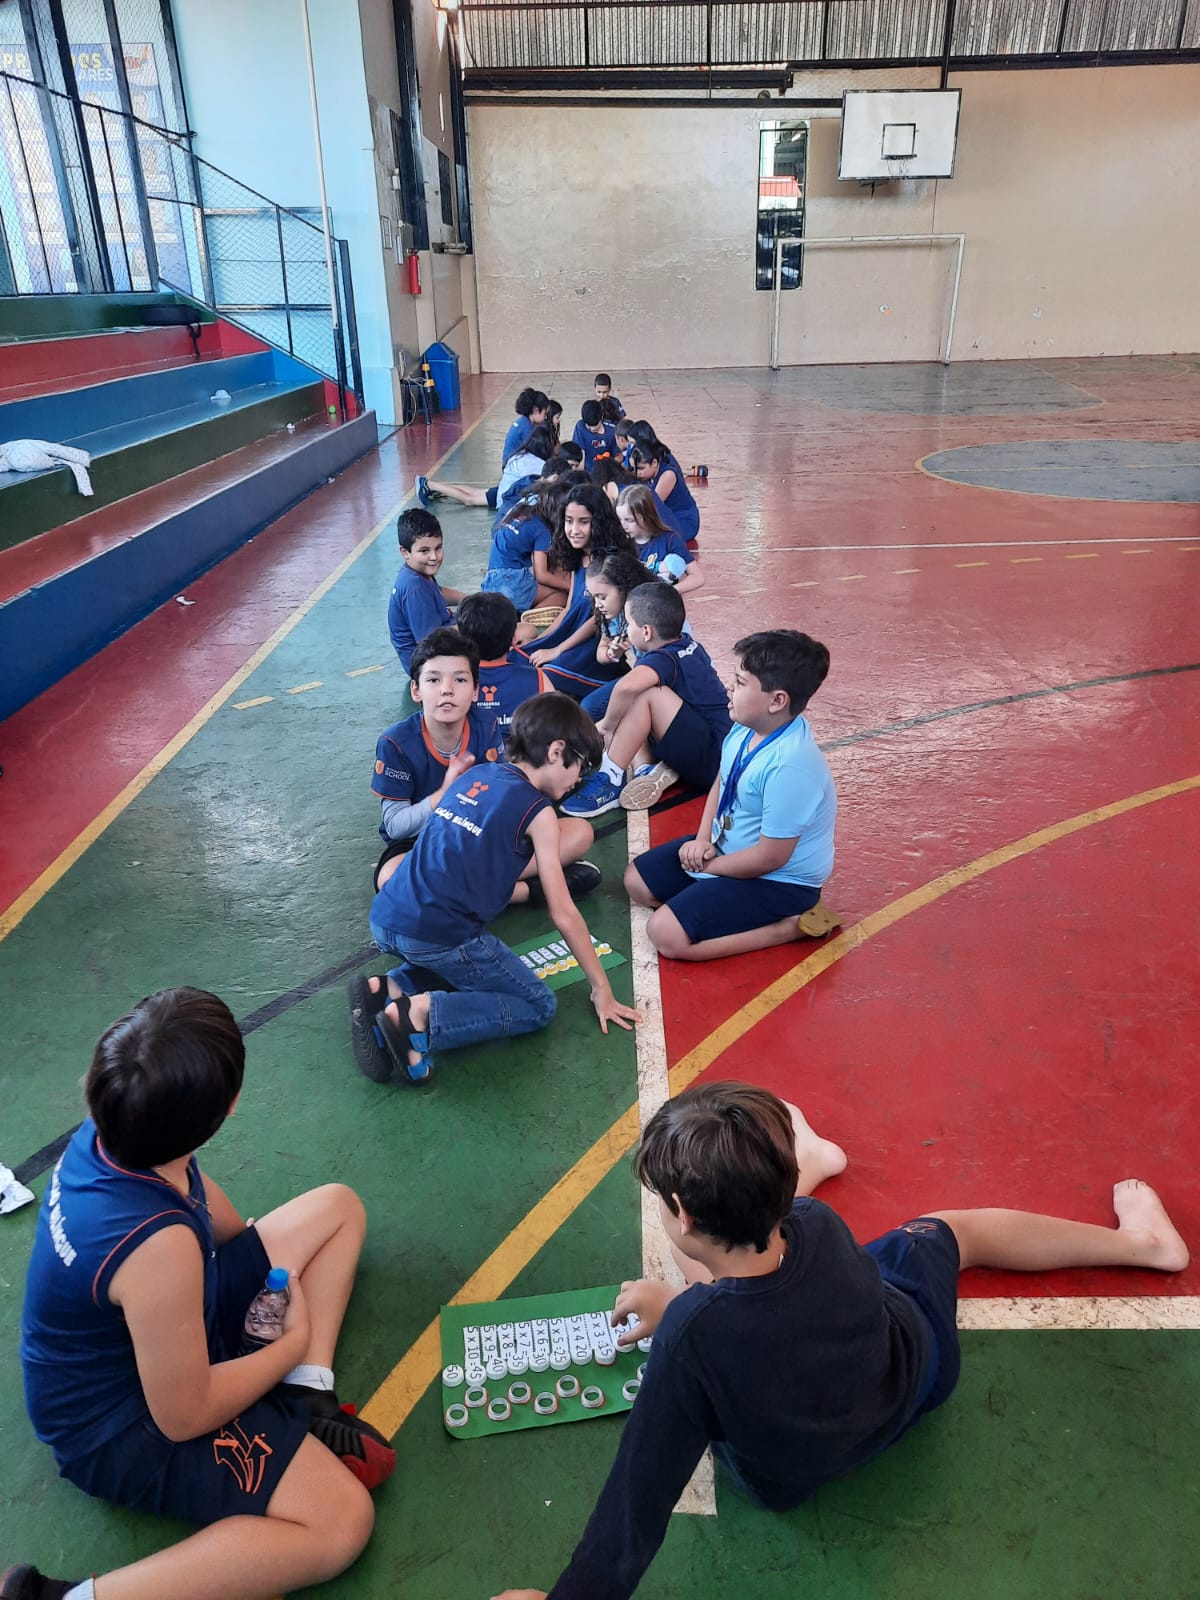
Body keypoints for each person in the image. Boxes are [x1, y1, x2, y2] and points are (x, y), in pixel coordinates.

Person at [489, 1079, 1189, 1600]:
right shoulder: (815, 1224)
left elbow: (635, 1502)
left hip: (786, 1477)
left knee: (711, 1298)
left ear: (681, 1212)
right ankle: (1142, 1246)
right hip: (915, 1378)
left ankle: (795, 1177)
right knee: (948, 1230)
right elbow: (800, 1313)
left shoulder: (690, 1336)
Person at [8, 988, 394, 1600]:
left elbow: (212, 1210)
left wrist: (251, 1264)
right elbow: (183, 1415)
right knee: (342, 1522)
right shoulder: (156, 1249)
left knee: (336, 1210)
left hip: (160, 1339)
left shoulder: (118, 1124)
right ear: (229, 1108)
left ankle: (306, 1394)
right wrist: (289, 1345)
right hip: (121, 1428)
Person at [349, 694, 640, 1085]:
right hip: (438, 934)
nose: (577, 782)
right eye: (581, 768)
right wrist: (601, 988)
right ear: (557, 752)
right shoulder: (539, 812)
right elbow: (563, 912)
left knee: (461, 969)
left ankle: (388, 987)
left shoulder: (478, 774)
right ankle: (417, 1016)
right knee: (536, 1004)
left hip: (388, 918)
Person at [625, 629, 834, 961]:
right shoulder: (746, 726)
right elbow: (722, 781)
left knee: (665, 934)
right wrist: (702, 839)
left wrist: (710, 866)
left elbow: (770, 858)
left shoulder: (791, 767)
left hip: (779, 880)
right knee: (636, 881)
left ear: (776, 701)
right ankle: (712, 904)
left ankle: (787, 928)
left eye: (740, 682)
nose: (729, 688)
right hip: (728, 848)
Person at [563, 582, 730, 818]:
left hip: (713, 762)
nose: (627, 629)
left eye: (630, 624)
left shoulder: (663, 658)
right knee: (639, 697)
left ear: (646, 632)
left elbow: (625, 688)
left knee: (644, 694)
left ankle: (611, 778)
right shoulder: (688, 644)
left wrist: (607, 726)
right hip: (719, 752)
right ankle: (645, 768)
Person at [371, 628, 499, 884]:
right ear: (416, 690)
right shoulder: (396, 743)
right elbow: (395, 826)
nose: (447, 690)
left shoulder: (486, 725)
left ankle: (455, 887)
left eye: (460, 680)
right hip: (419, 842)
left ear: (476, 690)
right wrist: (443, 795)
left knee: (574, 833)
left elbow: (500, 796)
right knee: (390, 878)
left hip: (471, 831)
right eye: (433, 680)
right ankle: (515, 888)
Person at [524, 485, 637, 698]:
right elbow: (569, 609)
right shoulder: (578, 556)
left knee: (547, 674)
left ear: (599, 522)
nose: (574, 530)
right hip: (570, 637)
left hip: (593, 647)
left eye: (583, 522)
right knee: (520, 657)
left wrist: (558, 650)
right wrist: (543, 639)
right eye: (569, 521)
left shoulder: (609, 563)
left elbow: (597, 619)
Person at [456, 590, 553, 745]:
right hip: (522, 757)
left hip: (468, 758)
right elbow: (554, 728)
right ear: (514, 639)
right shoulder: (538, 678)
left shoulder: (450, 682)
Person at [387, 508, 463, 672]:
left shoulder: (417, 573)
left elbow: (437, 592)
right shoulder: (414, 588)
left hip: (439, 638)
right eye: (424, 551)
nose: (434, 557)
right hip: (428, 664)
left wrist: (469, 599)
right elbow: (430, 642)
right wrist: (472, 626)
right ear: (405, 552)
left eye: (438, 548)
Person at [616, 483, 704, 594]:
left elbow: (697, 577)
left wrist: (667, 591)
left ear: (647, 516)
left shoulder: (669, 540)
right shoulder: (621, 543)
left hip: (660, 602)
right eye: (620, 519)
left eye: (629, 520)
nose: (623, 526)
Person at [630, 434, 700, 545]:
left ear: (654, 463)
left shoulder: (667, 475)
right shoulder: (648, 475)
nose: (637, 473)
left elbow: (652, 506)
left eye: (641, 468)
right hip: (666, 517)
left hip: (683, 521)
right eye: (634, 469)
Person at [501, 387, 551, 466]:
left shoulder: (523, 422)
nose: (546, 418)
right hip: (514, 466)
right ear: (536, 410)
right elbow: (538, 454)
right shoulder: (527, 428)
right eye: (545, 414)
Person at [571, 400, 617, 470]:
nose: (592, 429)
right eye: (588, 426)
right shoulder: (580, 427)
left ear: (601, 418)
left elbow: (618, 455)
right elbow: (580, 452)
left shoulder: (611, 431)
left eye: (595, 425)